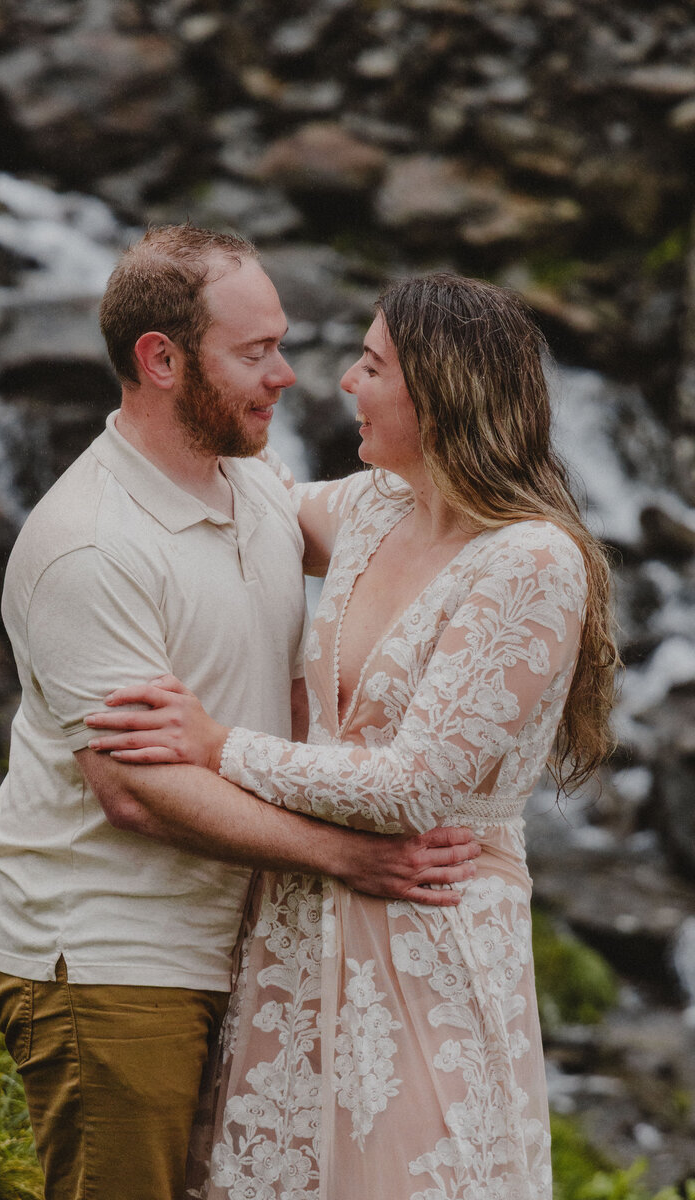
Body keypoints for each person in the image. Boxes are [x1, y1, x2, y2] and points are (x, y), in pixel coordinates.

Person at [0, 226, 480, 1200]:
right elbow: (137, 794)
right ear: (161, 361)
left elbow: (397, 526)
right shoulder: (89, 547)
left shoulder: (250, 480)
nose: (286, 376)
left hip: (235, 947)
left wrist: (523, 532)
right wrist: (348, 856)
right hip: (112, 957)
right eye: (255, 353)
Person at [86, 271, 619, 1199]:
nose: (343, 383)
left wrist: (216, 747)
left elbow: (414, 786)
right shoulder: (376, 507)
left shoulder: (531, 560)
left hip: (429, 923)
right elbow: (257, 494)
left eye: (371, 367)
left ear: (440, 392)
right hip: (302, 921)